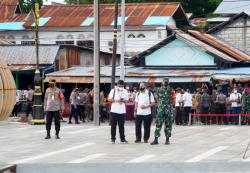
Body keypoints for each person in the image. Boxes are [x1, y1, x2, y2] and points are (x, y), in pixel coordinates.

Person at [151, 78, 174, 145]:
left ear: (168, 83)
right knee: (158, 124)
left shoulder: (171, 90)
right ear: (162, 82)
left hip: (168, 110)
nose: (165, 82)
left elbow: (173, 100)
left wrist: (170, 106)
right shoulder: (158, 90)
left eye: (166, 81)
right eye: (164, 81)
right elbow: (157, 99)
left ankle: (167, 140)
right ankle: (156, 140)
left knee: (168, 125)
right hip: (160, 109)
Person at [108, 80, 129, 144]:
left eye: (122, 86)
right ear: (117, 85)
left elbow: (127, 100)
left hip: (122, 111)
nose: (121, 87)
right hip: (114, 110)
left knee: (121, 126)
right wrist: (117, 100)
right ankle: (113, 139)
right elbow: (109, 99)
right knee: (113, 125)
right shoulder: (113, 90)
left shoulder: (125, 91)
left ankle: (122, 139)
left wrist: (123, 101)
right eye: (120, 85)